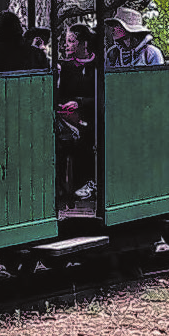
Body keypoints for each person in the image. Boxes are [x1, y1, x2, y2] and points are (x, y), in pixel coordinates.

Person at [56, 24, 97, 203]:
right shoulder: (65, 67)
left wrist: (79, 103)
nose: (67, 46)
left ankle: (89, 182)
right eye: (66, 42)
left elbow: (100, 96)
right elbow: (60, 93)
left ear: (84, 44)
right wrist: (63, 105)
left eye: (71, 42)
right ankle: (62, 189)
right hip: (67, 117)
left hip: (92, 115)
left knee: (88, 136)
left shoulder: (98, 67)